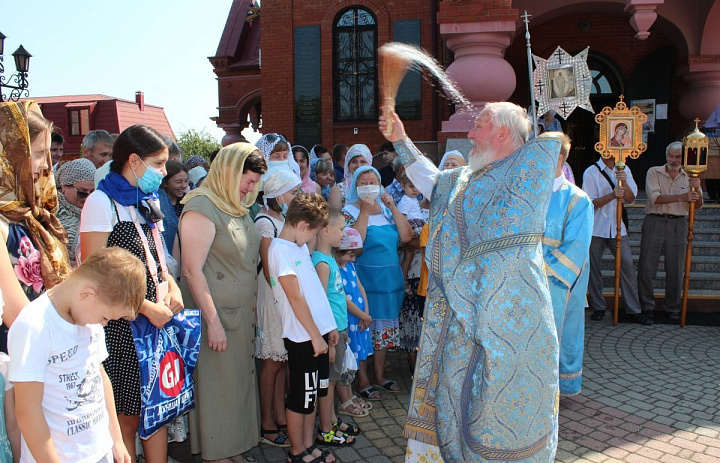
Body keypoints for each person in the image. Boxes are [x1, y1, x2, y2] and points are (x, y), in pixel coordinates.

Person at [379, 101, 561, 463]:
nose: (470, 134)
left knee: (496, 411)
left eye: (479, 126)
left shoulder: (523, 181)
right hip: (461, 323)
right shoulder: (467, 179)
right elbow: (433, 181)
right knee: (456, 405)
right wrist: (401, 140)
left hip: (509, 329)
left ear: (503, 133)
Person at [79, 124, 184, 463]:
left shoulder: (145, 199)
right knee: (126, 414)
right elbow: (95, 274)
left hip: (154, 322)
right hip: (121, 327)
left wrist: (173, 287)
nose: (164, 172)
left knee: (157, 410)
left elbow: (159, 260)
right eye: (158, 164)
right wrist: (143, 306)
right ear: (134, 161)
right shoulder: (101, 202)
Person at [9, 246, 147, 463]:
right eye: (105, 317)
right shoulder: (34, 326)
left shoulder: (88, 318)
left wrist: (116, 439)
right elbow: (28, 412)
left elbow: (100, 377)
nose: (104, 323)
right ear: (87, 294)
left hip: (99, 450)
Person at [179, 143, 267, 463]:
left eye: (255, 183)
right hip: (216, 317)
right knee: (219, 388)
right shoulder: (202, 207)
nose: (250, 188)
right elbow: (191, 270)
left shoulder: (235, 205)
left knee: (238, 385)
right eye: (248, 180)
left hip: (239, 315)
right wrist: (213, 322)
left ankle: (233, 449)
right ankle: (218, 454)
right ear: (229, 172)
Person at [267, 192, 338, 463]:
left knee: (313, 395)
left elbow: (315, 294)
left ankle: (308, 445)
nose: (313, 239)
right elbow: (295, 297)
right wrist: (313, 336)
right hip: (301, 337)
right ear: (303, 226)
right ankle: (297, 451)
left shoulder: (298, 248)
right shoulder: (280, 250)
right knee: (301, 397)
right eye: (314, 233)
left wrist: (328, 328)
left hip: (315, 334)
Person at [342, 166, 412, 399]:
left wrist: (392, 207)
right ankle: (362, 379)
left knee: (384, 329)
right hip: (364, 281)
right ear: (355, 186)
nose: (369, 185)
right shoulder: (349, 211)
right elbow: (355, 243)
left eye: (373, 181)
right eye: (363, 182)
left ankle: (380, 375)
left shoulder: (387, 209)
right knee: (362, 330)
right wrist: (363, 209)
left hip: (390, 282)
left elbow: (405, 236)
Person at [0, 101, 71, 329]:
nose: (46, 166)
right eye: (39, 153)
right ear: (10, 156)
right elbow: (15, 312)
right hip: (22, 347)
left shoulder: (29, 212)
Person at [538, 132, 593, 396]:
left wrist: (539, 269)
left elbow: (576, 248)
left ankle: (561, 387)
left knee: (563, 331)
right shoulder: (530, 195)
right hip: (528, 280)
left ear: (558, 158)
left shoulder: (578, 199)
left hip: (558, 282)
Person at [254, 168, 300, 449]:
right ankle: (267, 422)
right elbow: (269, 266)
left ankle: (281, 415)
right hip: (272, 295)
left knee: (283, 360)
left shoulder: (282, 218)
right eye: (292, 192)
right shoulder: (264, 221)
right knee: (271, 362)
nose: (296, 197)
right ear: (277, 192)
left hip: (284, 294)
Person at [582, 154, 652, 324]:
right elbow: (589, 203)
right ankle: (598, 306)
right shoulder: (591, 172)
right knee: (593, 268)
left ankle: (633, 309)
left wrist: (624, 182)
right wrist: (613, 195)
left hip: (617, 226)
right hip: (596, 228)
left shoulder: (625, 169)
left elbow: (631, 198)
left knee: (627, 265)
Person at [637, 141, 703, 322]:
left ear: (683, 158)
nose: (673, 160)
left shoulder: (690, 175)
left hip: (678, 224)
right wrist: (682, 197)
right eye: (671, 156)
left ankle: (672, 307)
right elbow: (655, 198)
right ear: (666, 156)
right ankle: (646, 307)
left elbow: (697, 205)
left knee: (675, 268)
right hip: (655, 221)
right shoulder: (654, 171)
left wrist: (696, 187)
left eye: (678, 156)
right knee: (646, 268)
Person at [313, 210, 360, 447]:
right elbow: (320, 302)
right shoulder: (321, 262)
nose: (344, 233)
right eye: (341, 229)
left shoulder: (329, 257)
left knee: (333, 378)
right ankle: (325, 428)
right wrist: (329, 338)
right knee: (328, 382)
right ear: (325, 230)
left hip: (338, 329)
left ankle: (331, 419)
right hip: (331, 332)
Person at [334, 227, 374, 412]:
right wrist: (363, 315)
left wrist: (366, 310)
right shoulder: (335, 269)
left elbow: (361, 288)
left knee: (352, 360)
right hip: (349, 320)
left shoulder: (349, 266)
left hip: (358, 319)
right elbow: (343, 298)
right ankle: (345, 399)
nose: (353, 259)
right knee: (345, 361)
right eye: (350, 255)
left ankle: (350, 395)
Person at [55, 158, 97, 265]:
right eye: (82, 192)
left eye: (92, 192)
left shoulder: (96, 211)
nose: (87, 197)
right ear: (64, 186)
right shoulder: (52, 212)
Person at [157, 160, 189, 254]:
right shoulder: (158, 204)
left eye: (186, 181)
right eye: (178, 182)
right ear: (165, 183)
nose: (183, 186)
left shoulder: (187, 202)